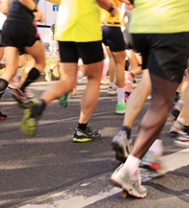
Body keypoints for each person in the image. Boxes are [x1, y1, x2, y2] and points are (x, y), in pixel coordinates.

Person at [110, 0, 189, 198]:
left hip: (140, 25)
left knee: (153, 86)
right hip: (170, 26)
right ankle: (130, 168)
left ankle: (150, 148)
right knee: (162, 101)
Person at [20, 0, 117, 142]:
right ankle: (82, 128)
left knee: (67, 80)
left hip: (65, 28)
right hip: (86, 27)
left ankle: (40, 103)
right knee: (94, 79)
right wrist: (110, 8)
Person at [0, 0, 46, 120]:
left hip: (8, 25)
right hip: (24, 25)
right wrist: (37, 11)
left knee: (11, 69)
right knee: (40, 62)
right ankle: (21, 90)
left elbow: (3, 9)